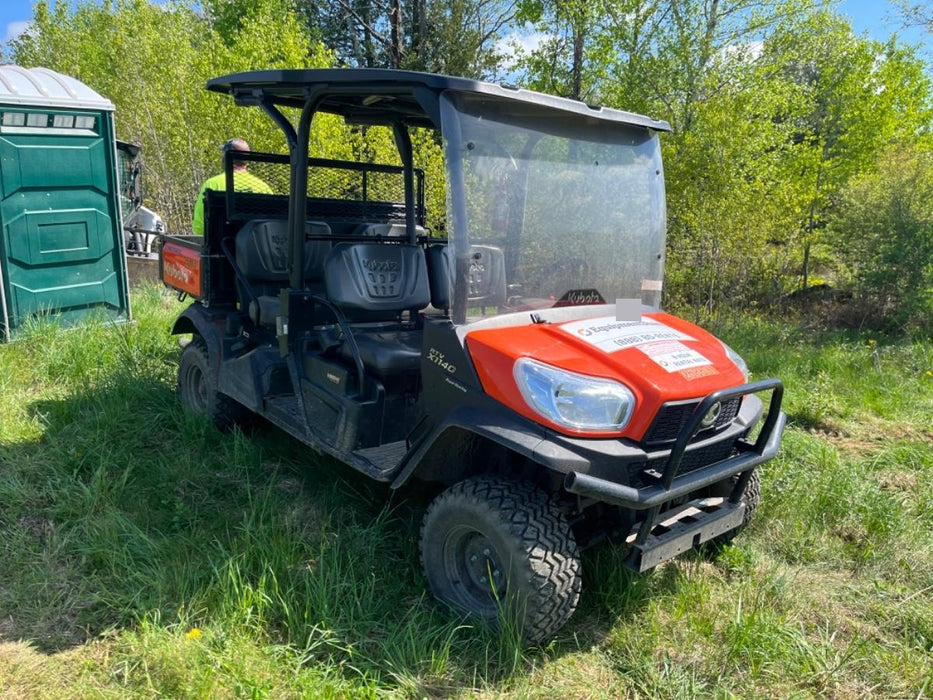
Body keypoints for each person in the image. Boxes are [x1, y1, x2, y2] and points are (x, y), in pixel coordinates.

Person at [192, 138, 272, 235]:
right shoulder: (263, 187)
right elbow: (270, 223)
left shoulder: (212, 184)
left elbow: (199, 227)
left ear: (226, 156)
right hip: (255, 247)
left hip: (221, 247)